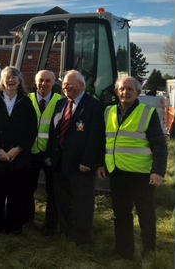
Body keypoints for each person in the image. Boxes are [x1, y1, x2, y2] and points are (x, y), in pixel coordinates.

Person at [96, 77, 167, 259]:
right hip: (117, 173)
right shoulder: (108, 112)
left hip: (141, 175)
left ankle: (149, 253)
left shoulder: (147, 113)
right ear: (116, 92)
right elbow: (103, 142)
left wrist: (158, 171)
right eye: (122, 89)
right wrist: (101, 164)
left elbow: (159, 145)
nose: (125, 92)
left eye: (130, 89)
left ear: (138, 92)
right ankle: (124, 252)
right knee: (121, 214)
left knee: (146, 216)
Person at [46, 69, 105, 246]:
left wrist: (88, 162)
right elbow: (53, 132)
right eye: (64, 84)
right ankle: (66, 232)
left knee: (82, 204)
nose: (66, 87)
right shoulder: (60, 104)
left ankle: (82, 239)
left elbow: (96, 137)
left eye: (69, 84)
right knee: (62, 201)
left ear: (82, 85)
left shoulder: (95, 106)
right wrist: (50, 156)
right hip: (60, 164)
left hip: (81, 166)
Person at [0, 66, 37, 235]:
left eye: (14, 78)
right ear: (3, 81)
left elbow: (31, 129)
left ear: (19, 81)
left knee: (17, 194)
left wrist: (18, 149)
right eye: (8, 78)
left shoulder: (26, 101)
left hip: (18, 156)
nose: (11, 80)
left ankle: (14, 227)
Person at [25, 70, 62, 235]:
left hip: (50, 154)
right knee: (27, 189)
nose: (44, 84)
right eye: (41, 80)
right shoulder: (27, 99)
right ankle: (27, 221)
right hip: (30, 152)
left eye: (48, 81)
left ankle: (50, 226)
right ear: (35, 82)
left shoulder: (60, 101)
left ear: (53, 83)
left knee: (53, 191)